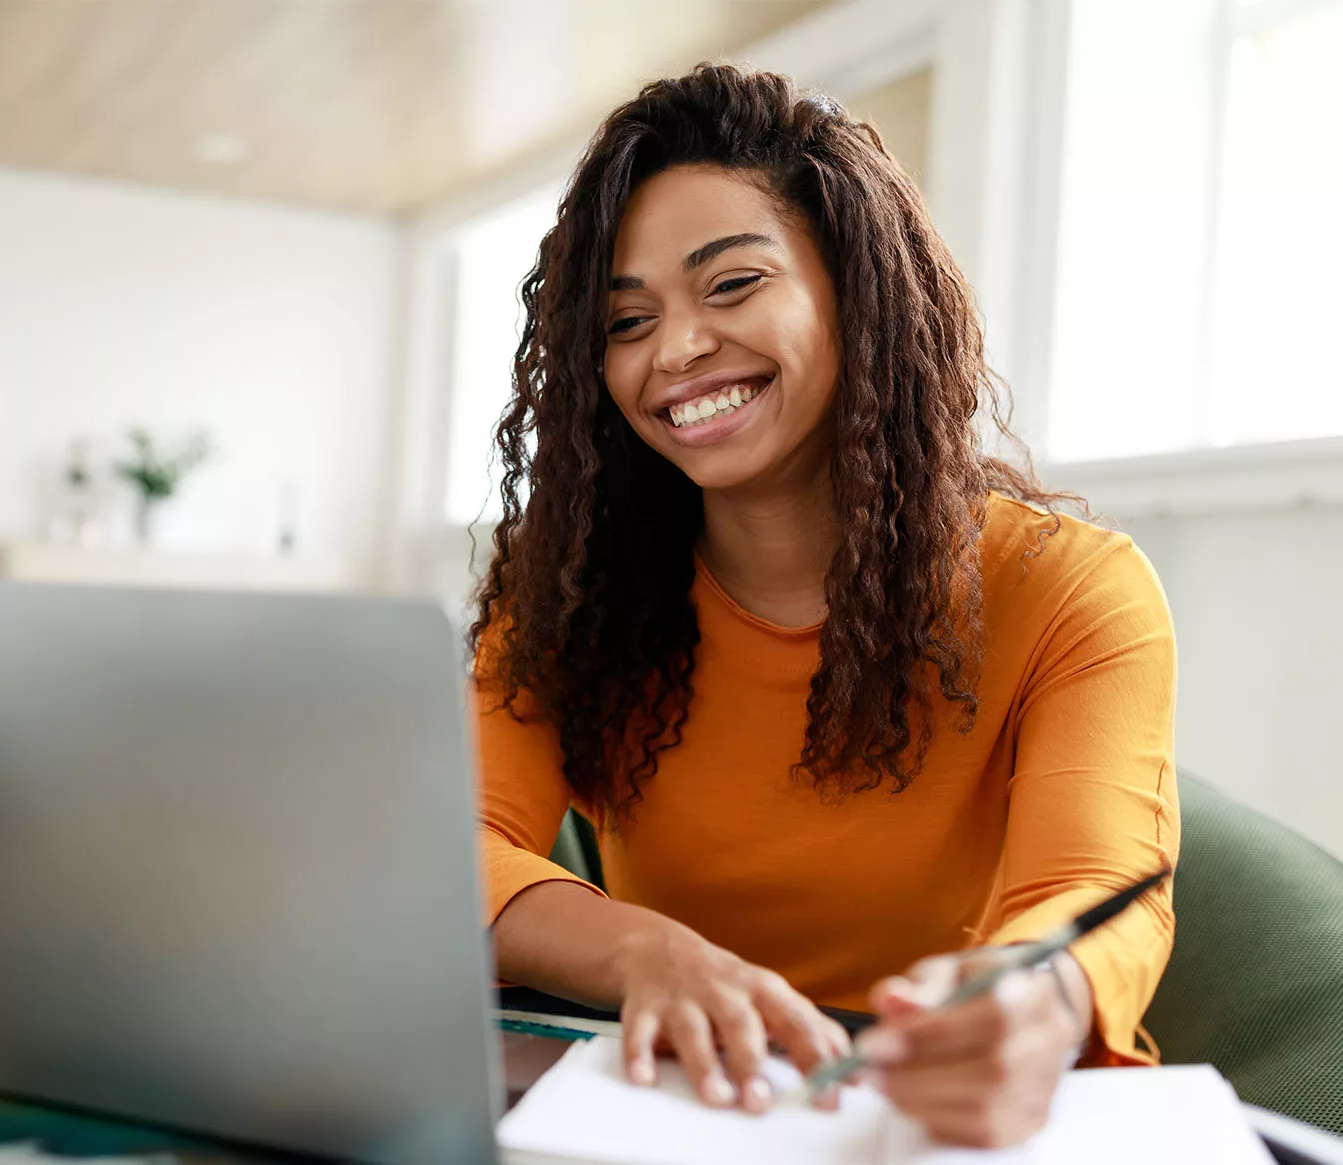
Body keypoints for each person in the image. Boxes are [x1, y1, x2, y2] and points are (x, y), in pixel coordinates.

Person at [471, 64, 1178, 1148]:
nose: (676, 350)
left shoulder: (1073, 589)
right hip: (674, 1111)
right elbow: (454, 844)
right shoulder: (568, 590)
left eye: (733, 284)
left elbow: (1095, 889)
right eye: (626, 320)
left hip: (934, 1123)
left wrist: (1035, 1003)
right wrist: (645, 951)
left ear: (858, 285)